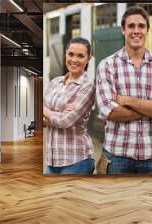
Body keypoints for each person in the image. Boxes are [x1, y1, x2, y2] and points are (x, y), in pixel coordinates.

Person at [95, 6, 152, 174]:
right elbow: (110, 112)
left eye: (141, 26)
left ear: (147, 30)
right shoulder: (107, 65)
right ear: (123, 30)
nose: (136, 31)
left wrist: (127, 101)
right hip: (116, 156)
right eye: (131, 26)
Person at [43, 37, 95, 174]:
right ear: (65, 54)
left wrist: (47, 111)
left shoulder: (88, 87)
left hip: (77, 160)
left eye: (80, 56)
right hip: (51, 159)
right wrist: (56, 114)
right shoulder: (55, 82)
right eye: (71, 54)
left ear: (88, 58)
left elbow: (65, 121)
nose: (74, 60)